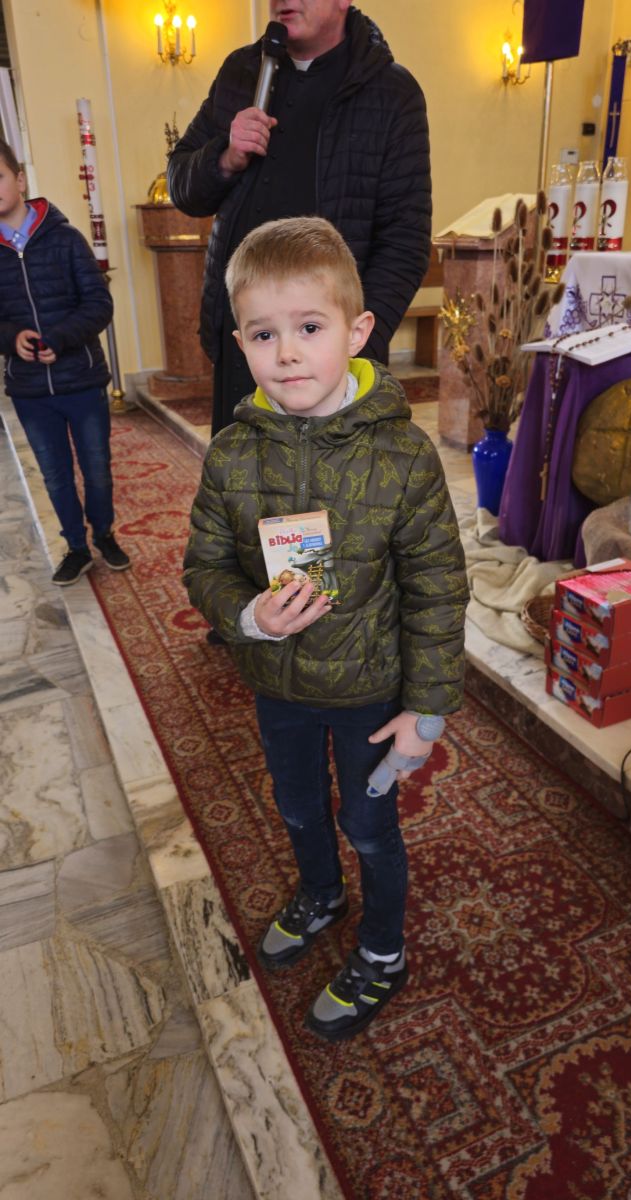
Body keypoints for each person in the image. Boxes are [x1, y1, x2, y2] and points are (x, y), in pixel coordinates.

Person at [183, 217, 468, 1041]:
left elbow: (437, 589)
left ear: (357, 329)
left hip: (369, 693)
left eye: (309, 327)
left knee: (368, 826)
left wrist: (427, 709)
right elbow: (204, 566)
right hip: (279, 687)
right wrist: (248, 615)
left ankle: (382, 951)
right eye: (263, 334)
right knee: (298, 807)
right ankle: (320, 893)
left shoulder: (403, 457)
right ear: (240, 342)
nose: (287, 354)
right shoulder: (231, 454)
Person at [168, 0, 432, 437]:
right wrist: (225, 157)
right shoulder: (242, 71)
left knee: (327, 477)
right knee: (238, 470)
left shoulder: (391, 92)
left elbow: (405, 241)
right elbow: (181, 186)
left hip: (330, 354)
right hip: (250, 339)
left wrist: (355, 345)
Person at [0, 140, 129, 586]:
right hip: (30, 390)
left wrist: (59, 338)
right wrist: (11, 339)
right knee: (55, 475)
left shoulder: (66, 239)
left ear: (19, 179)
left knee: (96, 469)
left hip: (82, 379)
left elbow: (99, 304)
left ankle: (104, 534)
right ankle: (76, 547)